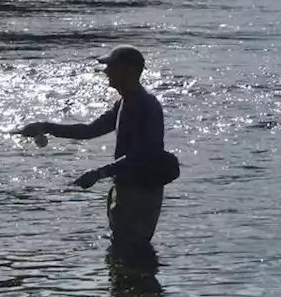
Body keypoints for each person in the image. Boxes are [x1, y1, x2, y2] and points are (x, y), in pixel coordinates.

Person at [19, 46, 179, 247]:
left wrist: (99, 173)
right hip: (126, 188)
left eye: (111, 66)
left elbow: (146, 153)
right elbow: (88, 131)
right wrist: (45, 127)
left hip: (142, 192)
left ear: (127, 70)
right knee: (121, 248)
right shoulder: (123, 103)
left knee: (133, 251)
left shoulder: (147, 105)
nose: (106, 72)